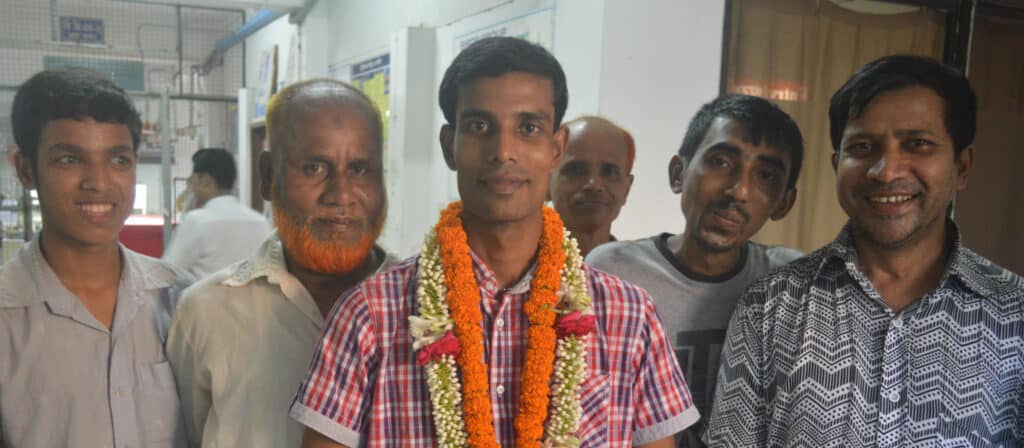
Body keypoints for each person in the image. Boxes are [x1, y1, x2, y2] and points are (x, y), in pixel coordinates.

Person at [290, 36, 698, 448]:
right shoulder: (369, 317)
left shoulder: (629, 316)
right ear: (450, 146)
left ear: (556, 148)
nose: (504, 151)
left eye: (528, 128)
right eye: (480, 126)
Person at [706, 55, 1024, 447]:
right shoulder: (770, 306)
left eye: (918, 144)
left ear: (962, 165)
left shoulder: (1015, 313)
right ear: (838, 163)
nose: (886, 171)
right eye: (863, 146)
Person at [165, 79, 399, 448]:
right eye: (314, 168)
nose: (341, 194)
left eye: (360, 169)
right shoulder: (205, 312)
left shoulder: (422, 306)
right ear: (268, 176)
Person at [586, 94, 803, 446]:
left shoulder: (789, 283)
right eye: (720, 161)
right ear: (678, 173)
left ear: (784, 202)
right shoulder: (614, 272)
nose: (739, 190)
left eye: (765, 175)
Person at [0, 67, 190, 446]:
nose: (99, 183)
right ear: (25, 170)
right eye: (69, 160)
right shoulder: (8, 315)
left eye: (118, 160)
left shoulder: (180, 299)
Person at [162, 147, 271, 280]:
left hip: (206, 300)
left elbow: (166, 274)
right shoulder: (260, 223)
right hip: (255, 301)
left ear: (206, 181)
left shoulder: (197, 221)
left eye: (192, 180)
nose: (191, 187)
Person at [549, 116, 635, 256]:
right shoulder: (514, 267)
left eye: (609, 172)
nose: (594, 185)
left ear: (627, 189)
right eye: (576, 170)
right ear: (546, 181)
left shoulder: (636, 274)